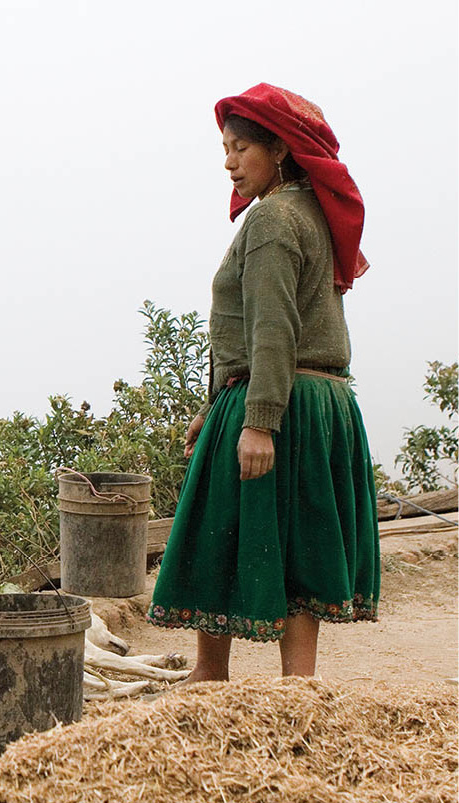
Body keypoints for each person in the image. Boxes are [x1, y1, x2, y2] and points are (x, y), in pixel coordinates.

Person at [147, 83, 379, 681]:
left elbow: (273, 327)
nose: (228, 161)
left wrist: (258, 422)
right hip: (312, 398)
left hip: (278, 396)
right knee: (299, 534)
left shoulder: (274, 218)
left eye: (241, 147)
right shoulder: (308, 211)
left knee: (214, 526)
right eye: (225, 148)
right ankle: (298, 685)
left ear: (280, 148)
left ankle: (212, 673)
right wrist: (216, 405)